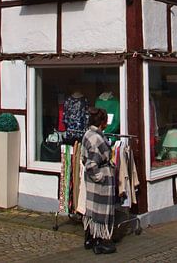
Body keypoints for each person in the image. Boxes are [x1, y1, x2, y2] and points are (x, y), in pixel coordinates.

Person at [81, 107, 116, 255]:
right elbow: (91, 164)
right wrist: (100, 176)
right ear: (102, 122)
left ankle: (90, 239)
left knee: (92, 210)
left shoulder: (88, 134)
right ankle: (100, 242)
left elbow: (84, 159)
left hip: (91, 181)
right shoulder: (96, 138)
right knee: (101, 212)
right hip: (100, 182)